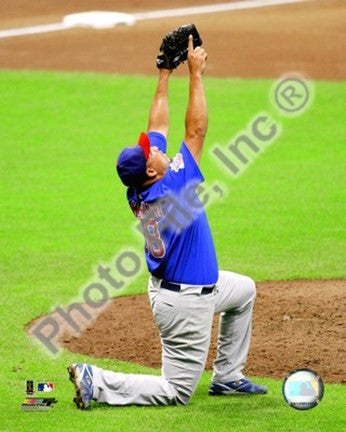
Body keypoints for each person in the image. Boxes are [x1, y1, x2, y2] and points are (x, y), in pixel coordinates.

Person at [67, 35, 267, 410]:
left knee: (244, 292)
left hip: (185, 289)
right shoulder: (172, 190)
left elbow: (156, 122)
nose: (157, 147)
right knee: (176, 391)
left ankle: (227, 376)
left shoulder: (140, 188)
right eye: (152, 151)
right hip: (183, 303)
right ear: (150, 170)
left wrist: (163, 74)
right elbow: (196, 132)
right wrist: (195, 74)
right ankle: (98, 380)